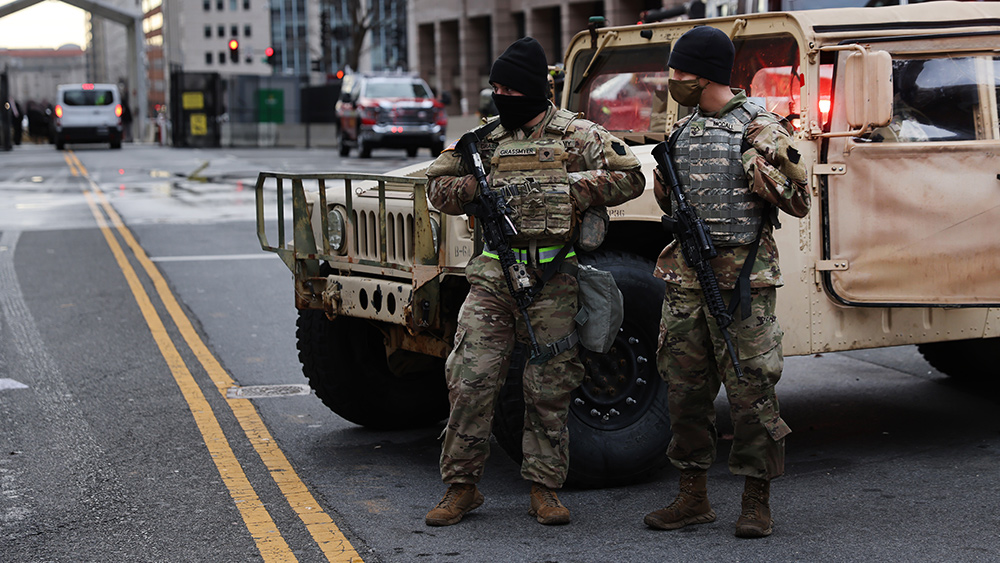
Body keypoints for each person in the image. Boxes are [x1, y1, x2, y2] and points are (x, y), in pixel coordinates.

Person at [424, 36, 645, 527]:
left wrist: (568, 188)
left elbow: (631, 177)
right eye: (496, 88)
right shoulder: (483, 141)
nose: (500, 96)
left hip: (553, 280)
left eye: (509, 89)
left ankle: (544, 489)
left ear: (531, 89)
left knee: (549, 387)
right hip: (492, 280)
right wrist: (475, 189)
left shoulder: (577, 135)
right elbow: (436, 186)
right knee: (470, 380)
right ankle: (461, 487)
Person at [643, 26, 809, 538]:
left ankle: (756, 499)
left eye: (678, 72)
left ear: (704, 74)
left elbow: (800, 199)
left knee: (751, 390)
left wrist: (760, 171)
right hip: (687, 279)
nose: (672, 81)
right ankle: (692, 497)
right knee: (684, 391)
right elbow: (669, 201)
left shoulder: (761, 127)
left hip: (743, 282)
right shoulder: (682, 131)